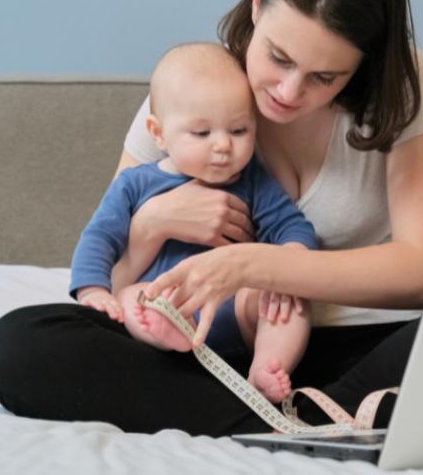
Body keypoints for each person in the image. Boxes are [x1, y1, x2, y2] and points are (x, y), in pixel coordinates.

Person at [0, 0, 423, 436]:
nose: (289, 92)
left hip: (349, 345)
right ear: (258, 3)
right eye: (278, 57)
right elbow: (113, 279)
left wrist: (253, 265)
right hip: (197, 349)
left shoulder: (404, 88)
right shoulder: (191, 92)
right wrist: (152, 224)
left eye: (325, 77)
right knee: (19, 343)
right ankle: (289, 421)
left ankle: (307, 409)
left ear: (364, 63)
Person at [69, 42, 316, 403]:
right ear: (158, 133)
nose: (223, 147)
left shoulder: (253, 182)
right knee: (133, 296)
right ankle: (168, 334)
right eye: (202, 134)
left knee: (289, 299)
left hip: (236, 311)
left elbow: (293, 228)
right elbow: (99, 237)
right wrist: (93, 291)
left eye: (238, 131)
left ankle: (266, 367)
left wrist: (288, 263)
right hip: (166, 303)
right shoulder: (136, 184)